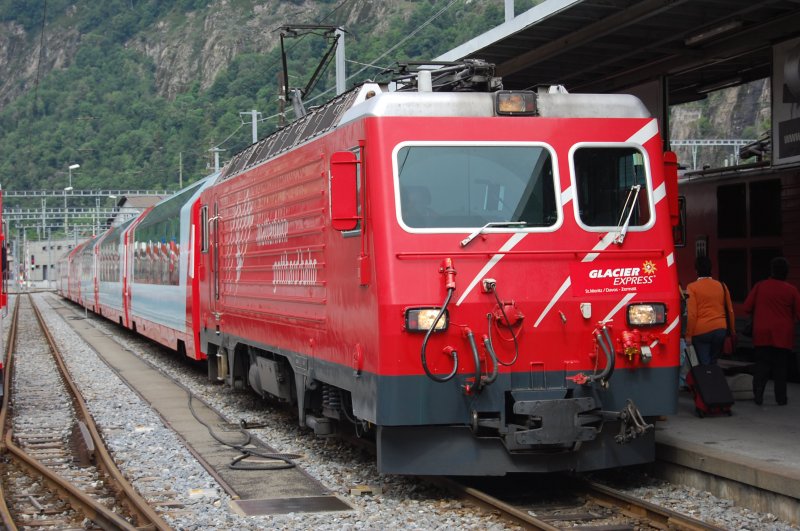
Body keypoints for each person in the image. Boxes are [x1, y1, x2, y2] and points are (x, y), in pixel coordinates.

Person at [744, 257, 800, 406]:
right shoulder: (791, 290)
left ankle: (758, 395)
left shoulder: (760, 286)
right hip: (783, 334)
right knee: (781, 367)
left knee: (762, 364)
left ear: (772, 270)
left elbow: (747, 307)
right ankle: (781, 398)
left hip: (762, 333)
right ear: (786, 272)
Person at [685, 256, 735, 366]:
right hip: (720, 329)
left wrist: (688, 335)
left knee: (704, 364)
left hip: (701, 331)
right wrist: (732, 331)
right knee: (714, 362)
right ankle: (714, 381)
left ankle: (707, 381)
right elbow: (730, 311)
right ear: (711, 269)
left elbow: (692, 314)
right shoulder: (722, 286)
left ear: (696, 270)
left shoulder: (692, 287)